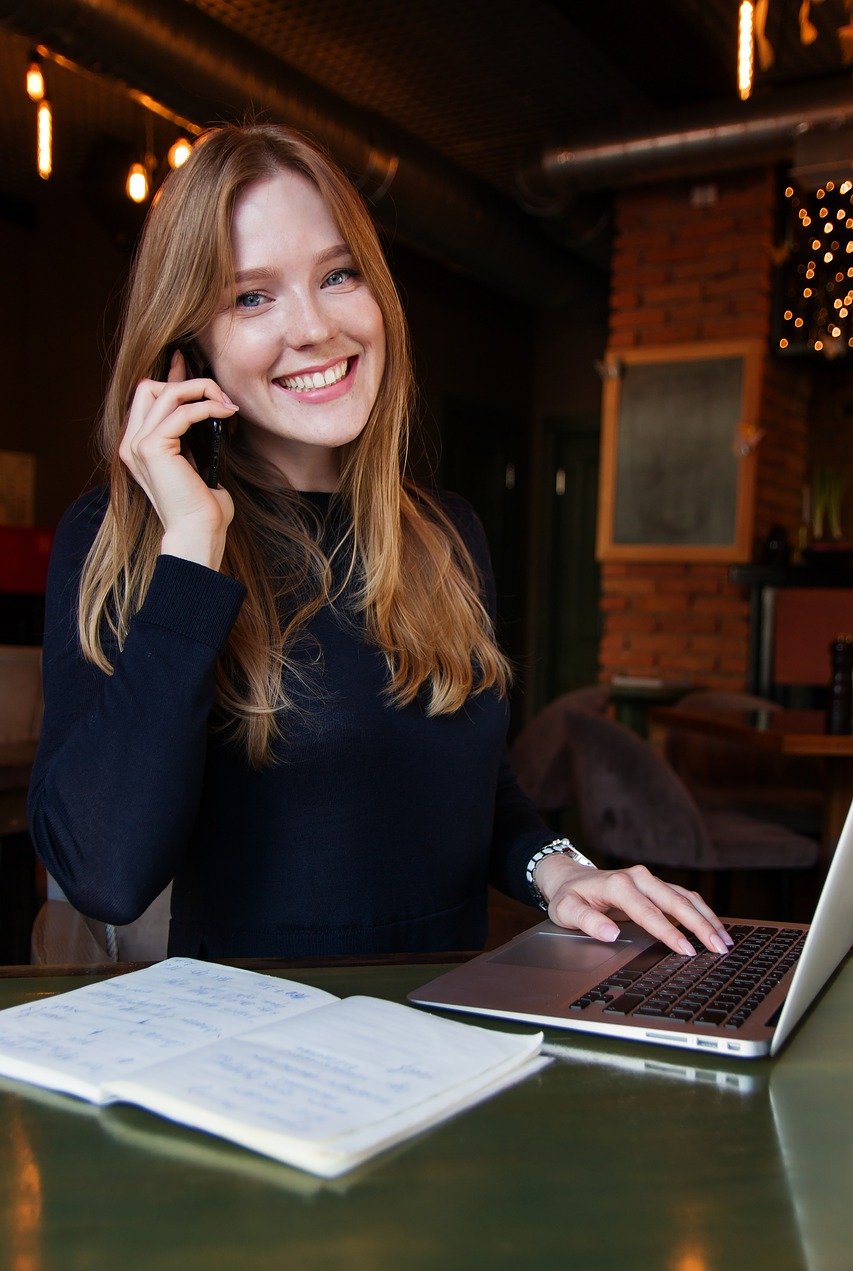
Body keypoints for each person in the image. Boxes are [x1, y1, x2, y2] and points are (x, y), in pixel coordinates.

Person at [28, 123, 733, 961]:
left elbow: (473, 787)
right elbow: (103, 872)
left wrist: (562, 871)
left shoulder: (444, 534)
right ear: (188, 345)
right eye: (251, 296)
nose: (315, 327)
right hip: (247, 1057)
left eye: (338, 275)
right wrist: (190, 543)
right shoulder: (127, 542)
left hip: (447, 1032)